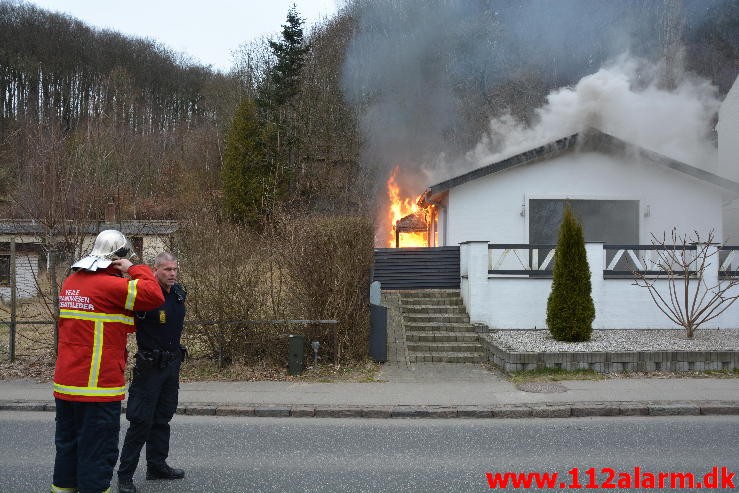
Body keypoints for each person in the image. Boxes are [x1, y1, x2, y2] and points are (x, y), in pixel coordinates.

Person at [51, 230, 165, 493]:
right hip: (97, 387)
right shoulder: (110, 286)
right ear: (117, 258)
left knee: (68, 448)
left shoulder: (72, 282)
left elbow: (108, 320)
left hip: (67, 385)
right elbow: (154, 294)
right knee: (98, 451)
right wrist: (135, 268)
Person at [117, 252, 187, 493]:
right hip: (149, 368)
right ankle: (125, 476)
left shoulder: (178, 294)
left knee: (163, 418)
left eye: (175, 269)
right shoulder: (145, 295)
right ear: (155, 270)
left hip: (171, 365)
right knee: (140, 421)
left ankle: (156, 465)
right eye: (167, 269)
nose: (172, 274)